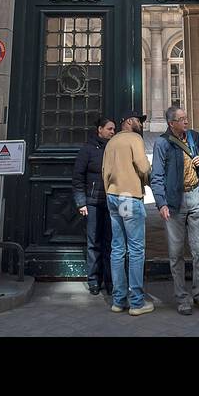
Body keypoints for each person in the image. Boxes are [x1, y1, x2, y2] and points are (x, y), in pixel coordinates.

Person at [150, 104, 199, 315]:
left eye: (186, 118)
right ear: (171, 123)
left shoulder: (194, 137)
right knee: (176, 253)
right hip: (174, 201)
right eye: (182, 119)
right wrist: (161, 203)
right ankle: (182, 298)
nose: (186, 121)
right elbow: (156, 176)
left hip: (196, 196)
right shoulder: (162, 144)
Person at [102, 112, 154, 315]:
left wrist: (110, 191)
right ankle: (137, 302)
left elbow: (105, 170)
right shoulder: (135, 138)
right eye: (140, 121)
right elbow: (142, 166)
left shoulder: (112, 141)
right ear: (130, 122)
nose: (142, 124)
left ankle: (118, 300)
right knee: (136, 249)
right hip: (129, 197)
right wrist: (150, 175)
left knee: (117, 248)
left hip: (114, 196)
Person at [73, 116, 116, 296]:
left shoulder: (115, 149)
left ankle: (111, 281)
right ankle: (93, 280)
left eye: (114, 129)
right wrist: (81, 202)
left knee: (111, 243)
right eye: (109, 129)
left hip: (112, 202)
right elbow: (78, 177)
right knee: (94, 243)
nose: (113, 132)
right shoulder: (88, 150)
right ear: (99, 129)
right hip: (92, 203)